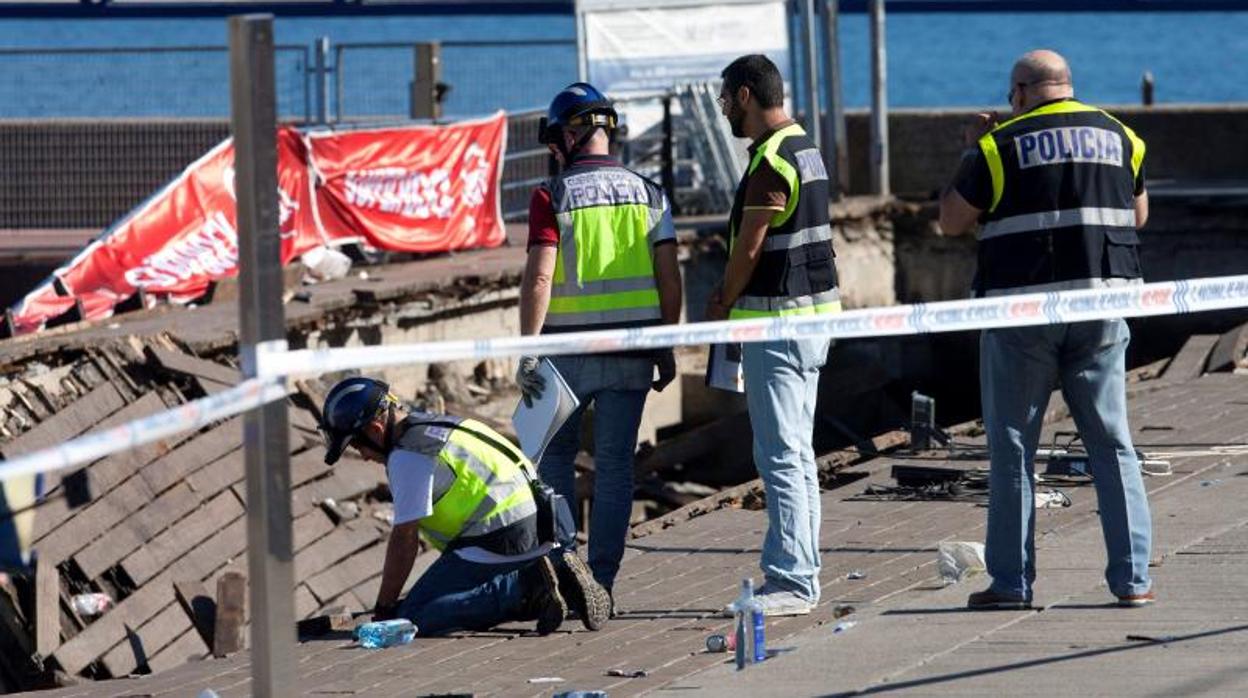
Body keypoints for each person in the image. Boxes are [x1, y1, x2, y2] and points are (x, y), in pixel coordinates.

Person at [939, 49, 1154, 609]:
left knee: (1013, 448)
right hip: (1102, 309)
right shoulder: (1121, 138)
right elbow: (1138, 216)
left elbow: (952, 221)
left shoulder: (996, 146)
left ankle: (1011, 582)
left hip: (1021, 315)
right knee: (1112, 445)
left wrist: (971, 147)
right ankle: (1133, 579)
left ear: (1019, 92)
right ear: (1067, 85)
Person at [516, 82, 683, 601]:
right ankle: (603, 583)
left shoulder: (552, 195)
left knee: (555, 463)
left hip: (565, 356)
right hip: (631, 354)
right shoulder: (651, 195)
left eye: (555, 141)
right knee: (615, 468)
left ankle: (566, 574)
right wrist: (666, 344)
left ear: (571, 134)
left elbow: (539, 279)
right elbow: (669, 279)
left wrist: (527, 349)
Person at [318, 376, 612, 636]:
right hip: (545, 526)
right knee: (437, 597)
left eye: (358, 446)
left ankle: (532, 586)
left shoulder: (408, 456)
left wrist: (383, 610)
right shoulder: (440, 425)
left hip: (504, 537)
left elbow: (404, 542)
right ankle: (556, 578)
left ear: (375, 428)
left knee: (416, 614)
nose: (365, 457)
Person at [707, 55, 841, 616]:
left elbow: (751, 247)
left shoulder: (770, 161)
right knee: (799, 455)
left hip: (778, 321)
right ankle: (802, 570)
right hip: (813, 318)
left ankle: (791, 581)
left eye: (724, 100)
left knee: (781, 456)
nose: (723, 111)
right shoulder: (805, 148)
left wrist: (720, 301)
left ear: (744, 96)